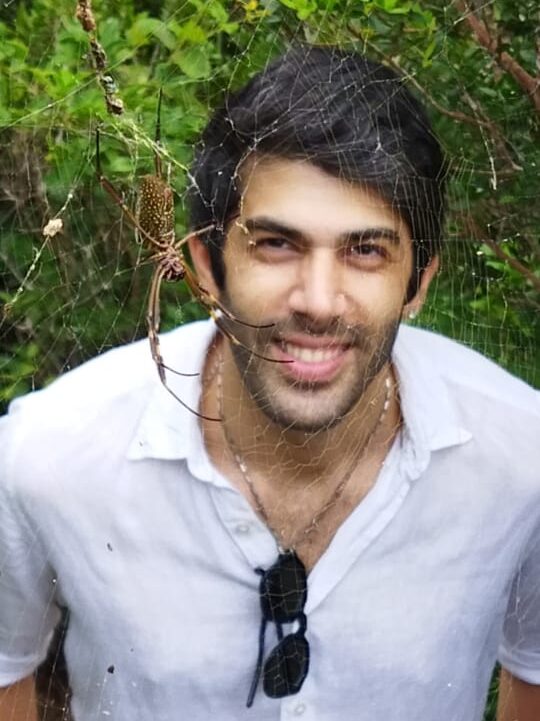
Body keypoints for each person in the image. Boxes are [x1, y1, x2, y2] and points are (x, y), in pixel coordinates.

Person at [0, 46, 539, 721]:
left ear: (418, 282)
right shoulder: (45, 455)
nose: (318, 301)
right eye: (276, 244)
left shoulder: (521, 457)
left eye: (366, 250)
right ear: (205, 265)